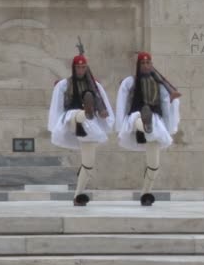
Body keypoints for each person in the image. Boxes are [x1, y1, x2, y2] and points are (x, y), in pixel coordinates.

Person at [48, 50, 114, 206]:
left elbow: (103, 102)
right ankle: (86, 112)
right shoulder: (65, 84)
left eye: (84, 67)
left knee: (88, 163)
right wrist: (56, 125)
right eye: (78, 67)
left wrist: (104, 113)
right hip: (70, 118)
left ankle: (78, 196)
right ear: (74, 68)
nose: (81, 70)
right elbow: (57, 106)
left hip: (89, 126)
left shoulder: (94, 85)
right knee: (77, 114)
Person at [115, 52, 181, 206]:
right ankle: (145, 125)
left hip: (155, 121)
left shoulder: (159, 84)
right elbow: (122, 102)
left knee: (154, 165)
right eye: (143, 64)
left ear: (151, 65)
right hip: (136, 117)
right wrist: (120, 124)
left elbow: (166, 104)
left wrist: (172, 103)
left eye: (148, 63)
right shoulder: (130, 82)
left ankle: (146, 193)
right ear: (138, 66)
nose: (145, 66)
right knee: (140, 119)